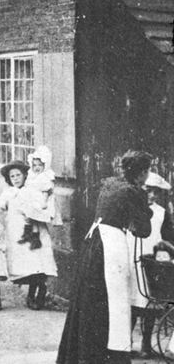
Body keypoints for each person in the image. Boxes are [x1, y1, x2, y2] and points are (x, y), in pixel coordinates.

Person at [57, 150, 154, 364]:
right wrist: (147, 210)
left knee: (90, 298)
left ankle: (82, 353)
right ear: (142, 172)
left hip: (93, 241)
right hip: (112, 247)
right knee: (113, 301)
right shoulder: (134, 191)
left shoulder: (110, 183)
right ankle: (109, 356)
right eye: (147, 171)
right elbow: (144, 230)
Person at [0, 160, 57, 309]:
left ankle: (40, 294)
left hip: (35, 230)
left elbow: (43, 204)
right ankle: (31, 297)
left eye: (18, 175)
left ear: (25, 175)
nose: (15, 178)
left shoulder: (32, 190)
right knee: (29, 265)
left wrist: (38, 211)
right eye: (12, 176)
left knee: (40, 262)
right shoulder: (9, 193)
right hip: (18, 233)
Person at [128, 172, 174, 358]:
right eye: (148, 191)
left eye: (155, 192)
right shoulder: (131, 209)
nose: (152, 196)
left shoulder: (161, 213)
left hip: (151, 264)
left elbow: (167, 239)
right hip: (131, 260)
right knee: (130, 305)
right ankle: (126, 342)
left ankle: (146, 343)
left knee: (150, 304)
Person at [18, 146, 56, 249]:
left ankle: (35, 237)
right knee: (29, 216)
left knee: (35, 218)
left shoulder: (46, 176)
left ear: (45, 165)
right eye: (34, 165)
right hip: (32, 198)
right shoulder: (32, 174)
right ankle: (29, 234)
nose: (37, 168)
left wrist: (43, 200)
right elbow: (28, 185)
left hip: (42, 200)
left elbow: (47, 190)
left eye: (40, 165)